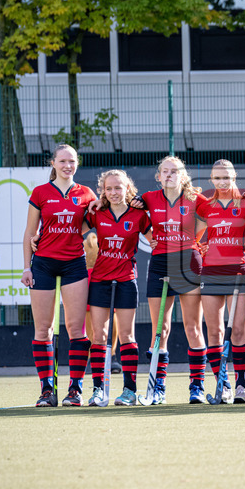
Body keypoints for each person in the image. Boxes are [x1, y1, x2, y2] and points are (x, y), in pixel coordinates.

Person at [21, 144, 97, 407]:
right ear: (52, 163)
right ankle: (46, 390)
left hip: (74, 265)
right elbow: (30, 233)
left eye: (72, 161)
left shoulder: (86, 193)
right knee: (43, 329)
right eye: (63, 161)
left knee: (76, 329)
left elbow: (89, 226)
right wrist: (27, 266)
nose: (68, 165)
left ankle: (75, 389)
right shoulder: (41, 192)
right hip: (43, 264)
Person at [142, 155, 209, 404]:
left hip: (188, 261)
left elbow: (216, 220)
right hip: (160, 261)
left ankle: (197, 387)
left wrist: (196, 241)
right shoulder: (148, 199)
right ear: (159, 176)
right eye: (165, 171)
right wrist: (151, 235)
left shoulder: (195, 199)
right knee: (160, 328)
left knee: (193, 326)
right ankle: (157, 387)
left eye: (175, 171)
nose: (169, 175)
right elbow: (127, 214)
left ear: (183, 175)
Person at [85, 170, 150, 406]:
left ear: (127, 188)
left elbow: (155, 239)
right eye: (108, 189)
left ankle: (129, 391)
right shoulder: (97, 213)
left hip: (126, 278)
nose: (113, 192)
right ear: (103, 190)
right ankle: (99, 390)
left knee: (126, 335)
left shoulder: (139, 215)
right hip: (100, 279)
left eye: (118, 188)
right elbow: (75, 231)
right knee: (100, 335)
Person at [195, 159, 245, 404]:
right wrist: (201, 247)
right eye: (217, 178)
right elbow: (194, 236)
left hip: (238, 271)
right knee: (215, 332)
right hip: (210, 273)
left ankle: (241, 386)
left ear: (234, 176)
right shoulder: (206, 206)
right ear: (211, 179)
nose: (222, 182)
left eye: (226, 177)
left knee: (238, 331)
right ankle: (223, 385)